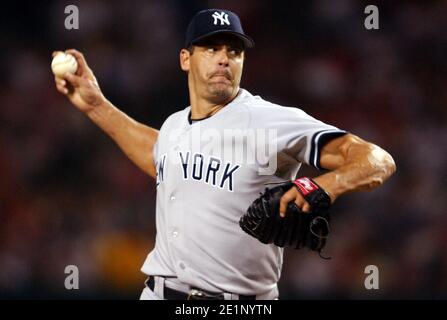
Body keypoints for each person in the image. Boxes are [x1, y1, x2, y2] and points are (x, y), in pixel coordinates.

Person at [53, 9, 396, 300]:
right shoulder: (175, 124)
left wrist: (324, 187)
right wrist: (96, 106)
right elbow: (160, 156)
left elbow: (376, 159)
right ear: (185, 59)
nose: (223, 58)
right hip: (158, 291)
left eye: (234, 51)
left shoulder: (270, 121)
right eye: (212, 48)